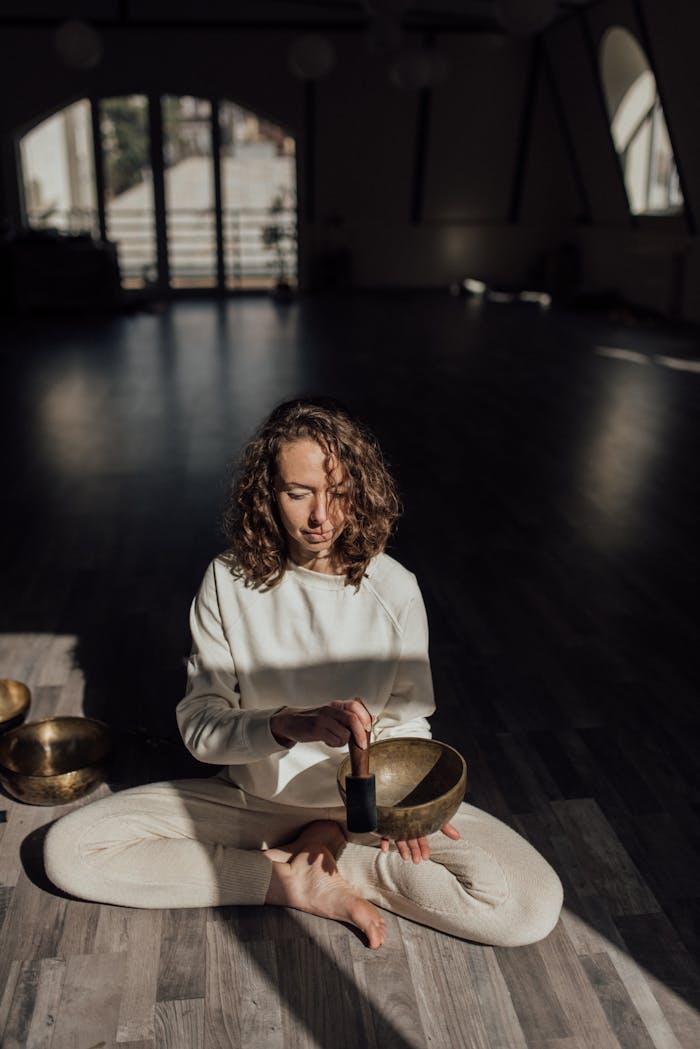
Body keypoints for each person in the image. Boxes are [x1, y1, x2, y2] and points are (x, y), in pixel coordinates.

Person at [44, 396, 563, 949]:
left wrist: (404, 811)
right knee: (72, 851)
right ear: (268, 494)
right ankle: (289, 879)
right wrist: (287, 725)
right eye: (299, 493)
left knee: (527, 905)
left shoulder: (395, 588)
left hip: (364, 816)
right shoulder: (227, 581)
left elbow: (408, 724)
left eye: (337, 493)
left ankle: (326, 858)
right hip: (254, 806)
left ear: (359, 490)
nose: (321, 516)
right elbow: (200, 728)